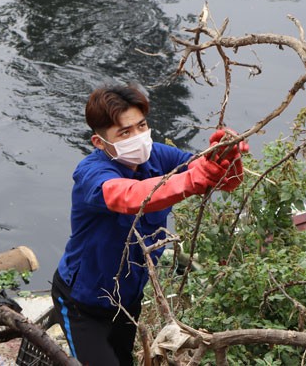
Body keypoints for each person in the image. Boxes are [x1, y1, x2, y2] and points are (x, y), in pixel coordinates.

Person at [51, 85, 247, 365]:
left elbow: (225, 182)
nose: (138, 137)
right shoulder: (90, 173)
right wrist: (193, 179)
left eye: (141, 125)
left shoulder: (159, 156)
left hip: (127, 303)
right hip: (82, 305)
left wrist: (224, 158)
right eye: (125, 132)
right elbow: (129, 195)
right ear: (99, 142)